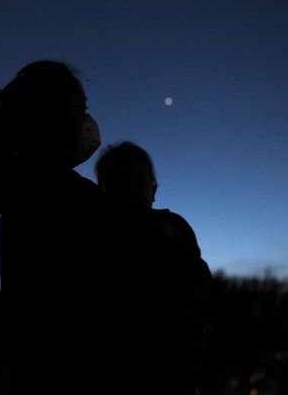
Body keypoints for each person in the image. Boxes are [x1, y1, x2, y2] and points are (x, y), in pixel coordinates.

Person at [0, 61, 113, 393]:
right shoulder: (68, 194)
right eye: (82, 108)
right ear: (51, 115)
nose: (88, 121)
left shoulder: (20, 188)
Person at [95, 141, 211, 395]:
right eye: (118, 183)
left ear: (154, 189)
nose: (131, 191)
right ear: (103, 190)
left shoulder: (173, 226)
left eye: (139, 182)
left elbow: (199, 278)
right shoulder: (97, 236)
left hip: (176, 362)